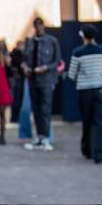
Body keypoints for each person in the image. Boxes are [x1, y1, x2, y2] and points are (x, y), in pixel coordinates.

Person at [67, 24, 102, 164]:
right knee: (100, 123)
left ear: (84, 36)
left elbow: (71, 74)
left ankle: (87, 150)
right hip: (100, 91)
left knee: (87, 121)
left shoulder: (78, 52)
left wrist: (83, 77)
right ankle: (99, 154)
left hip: (84, 92)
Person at [21, 17, 61, 151]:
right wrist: (25, 67)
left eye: (40, 25)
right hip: (33, 80)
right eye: (36, 25)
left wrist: (45, 68)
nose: (38, 28)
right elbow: (24, 59)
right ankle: (38, 136)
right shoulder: (30, 42)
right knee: (36, 110)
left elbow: (57, 61)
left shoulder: (52, 41)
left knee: (46, 109)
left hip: (46, 80)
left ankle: (46, 137)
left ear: (44, 26)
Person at [9, 41, 25, 122]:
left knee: (18, 99)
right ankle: (15, 118)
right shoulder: (15, 54)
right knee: (16, 99)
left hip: (18, 79)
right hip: (17, 79)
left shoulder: (16, 54)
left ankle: (16, 117)